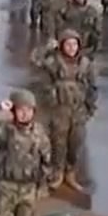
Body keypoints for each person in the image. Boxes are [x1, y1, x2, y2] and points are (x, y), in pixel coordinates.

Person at [35, 29, 97, 195]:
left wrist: (90, 107)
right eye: (68, 44)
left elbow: (92, 88)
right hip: (59, 110)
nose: (71, 48)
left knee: (76, 142)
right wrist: (48, 48)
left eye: (74, 44)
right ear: (62, 45)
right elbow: (37, 63)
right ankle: (58, 173)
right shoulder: (53, 62)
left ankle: (71, 172)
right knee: (58, 142)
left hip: (78, 110)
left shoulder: (86, 64)